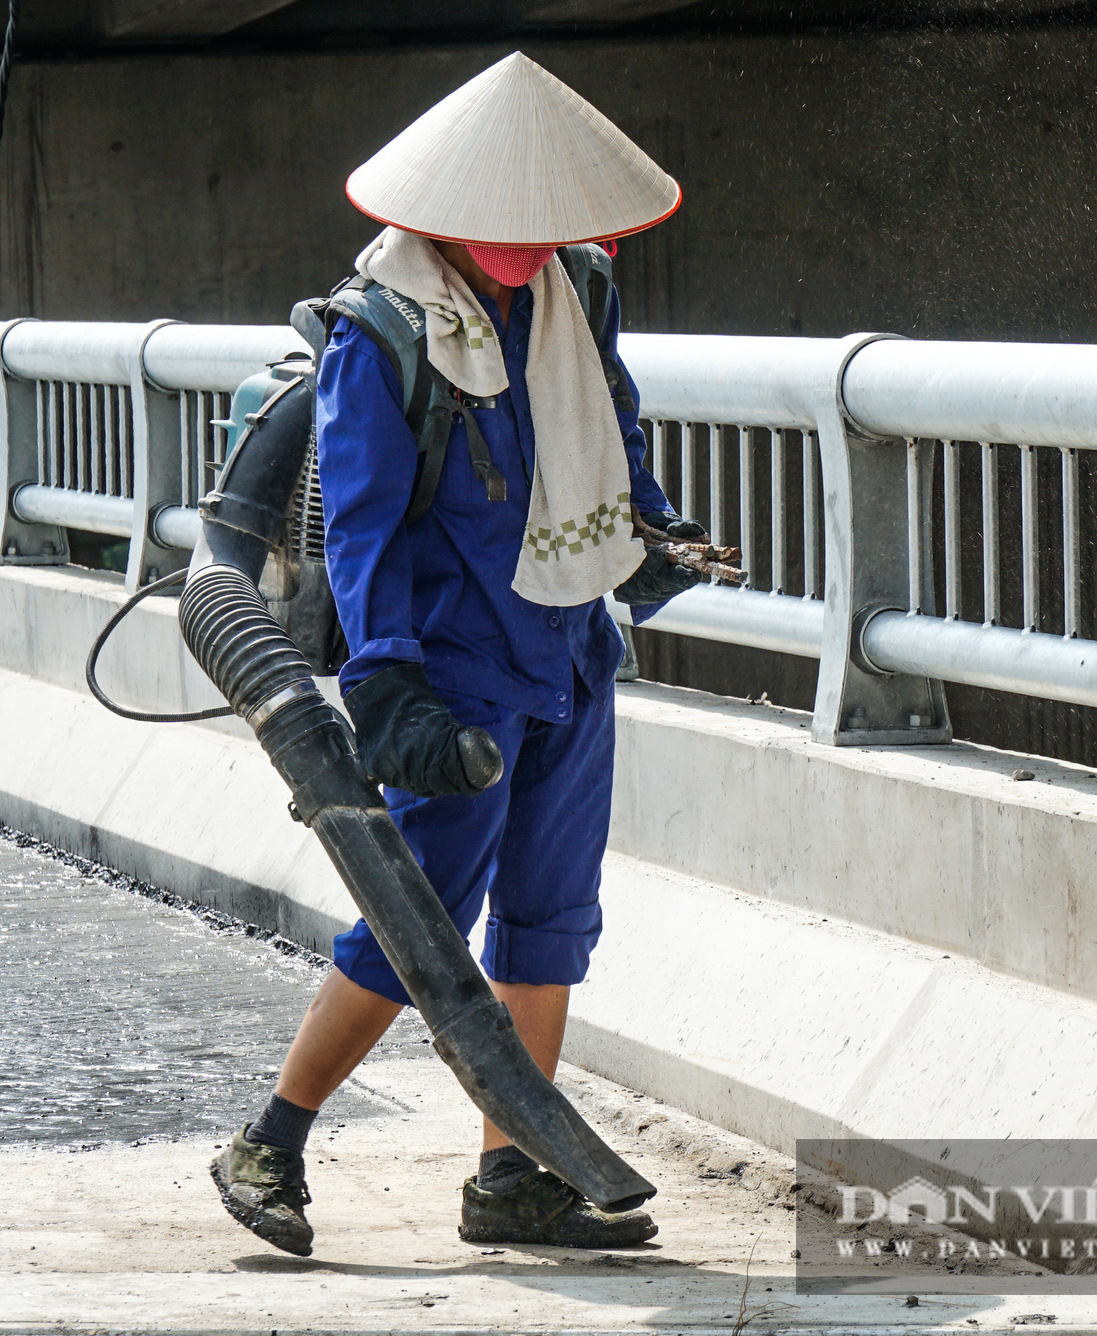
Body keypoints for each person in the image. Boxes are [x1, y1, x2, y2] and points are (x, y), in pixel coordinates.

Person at [209, 51, 708, 1256]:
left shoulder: (575, 291)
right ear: (442, 213)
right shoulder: (377, 334)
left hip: (569, 644)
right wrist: (383, 682)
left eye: (546, 225)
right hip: (449, 667)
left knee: (549, 920)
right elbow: (367, 527)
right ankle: (268, 1140)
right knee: (411, 922)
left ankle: (513, 1178)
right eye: (507, 225)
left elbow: (612, 425)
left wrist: (651, 531)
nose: (528, 243)